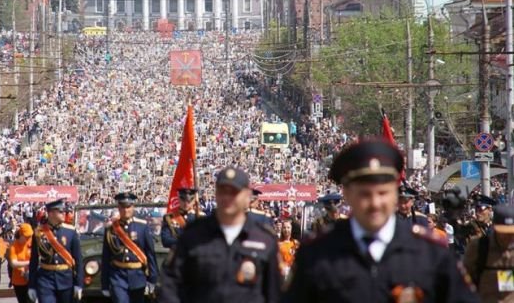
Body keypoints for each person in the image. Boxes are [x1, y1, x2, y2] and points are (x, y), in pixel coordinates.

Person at [281, 139, 479, 302]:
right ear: (348, 195)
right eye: (365, 194)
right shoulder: (318, 253)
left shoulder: (430, 253)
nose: (375, 203)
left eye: (383, 193)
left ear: (395, 195)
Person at [159, 166, 281, 303]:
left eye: (234, 192)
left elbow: (273, 293)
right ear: (216, 194)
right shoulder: (193, 235)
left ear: (247, 196)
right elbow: (171, 285)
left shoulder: (263, 239)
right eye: (223, 191)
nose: (228, 197)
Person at [101, 192, 158, 303]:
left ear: (133, 207)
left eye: (128, 207)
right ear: (118, 207)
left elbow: (150, 254)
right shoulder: (111, 229)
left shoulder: (142, 226)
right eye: (122, 207)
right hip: (118, 276)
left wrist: (152, 279)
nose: (125, 210)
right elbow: (106, 257)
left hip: (138, 275)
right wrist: (104, 284)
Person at [28, 199, 84, 303]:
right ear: (51, 213)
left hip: (66, 279)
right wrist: (32, 285)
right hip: (45, 280)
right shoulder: (39, 233)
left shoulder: (70, 232)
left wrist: (79, 284)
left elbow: (78, 260)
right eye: (61, 211)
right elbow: (34, 260)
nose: (64, 214)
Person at [464, 205, 514, 302]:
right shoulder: (479, 247)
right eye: (503, 232)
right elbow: (464, 279)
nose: (508, 237)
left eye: (511, 233)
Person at [8, 223, 34, 303]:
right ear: (21, 235)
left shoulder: (31, 243)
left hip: (31, 279)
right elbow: (13, 263)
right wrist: (29, 263)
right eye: (26, 236)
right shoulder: (13, 246)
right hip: (19, 281)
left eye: (30, 236)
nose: (28, 238)